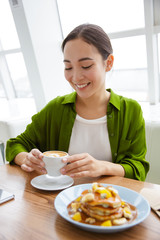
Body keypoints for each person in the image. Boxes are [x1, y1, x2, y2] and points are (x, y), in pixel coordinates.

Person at [6, 24, 149, 181]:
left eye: (85, 66)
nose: (76, 77)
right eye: (68, 67)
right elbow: (15, 145)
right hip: (59, 201)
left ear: (108, 63)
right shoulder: (55, 109)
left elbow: (138, 168)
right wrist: (26, 158)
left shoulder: (130, 110)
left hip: (107, 201)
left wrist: (102, 166)